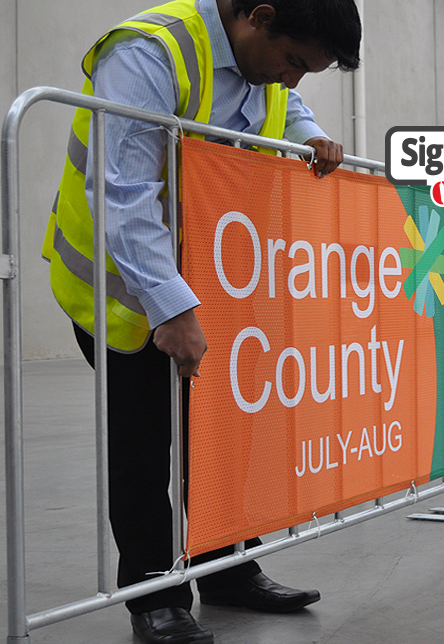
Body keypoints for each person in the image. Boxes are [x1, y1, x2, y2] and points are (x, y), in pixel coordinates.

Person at [41, 1, 361, 642]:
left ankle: (227, 569)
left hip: (213, 286)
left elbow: (280, 108)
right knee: (144, 441)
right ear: (259, 17)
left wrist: (308, 135)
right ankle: (155, 596)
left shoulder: (263, 65)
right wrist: (172, 309)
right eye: (294, 61)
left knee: (221, 434)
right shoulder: (147, 54)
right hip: (124, 292)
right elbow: (126, 192)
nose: (292, 81)